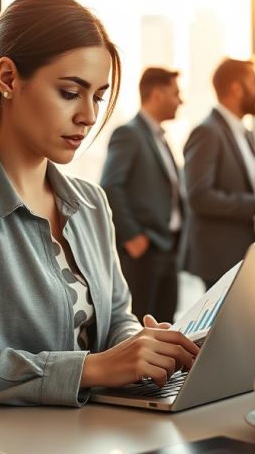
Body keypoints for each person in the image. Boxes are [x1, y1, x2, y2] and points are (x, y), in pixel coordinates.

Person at [0, 0, 199, 406]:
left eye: (97, 96)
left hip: (94, 434)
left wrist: (141, 350)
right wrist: (93, 368)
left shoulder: (93, 204)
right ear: (7, 79)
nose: (89, 116)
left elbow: (116, 325)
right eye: (70, 92)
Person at [182, 58, 255, 289]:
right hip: (223, 258)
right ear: (236, 88)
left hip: (251, 252)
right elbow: (199, 197)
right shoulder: (207, 132)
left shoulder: (243, 133)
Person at [100, 67, 187, 324]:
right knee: (140, 328)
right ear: (157, 95)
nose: (181, 101)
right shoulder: (129, 134)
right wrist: (132, 237)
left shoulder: (160, 137)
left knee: (166, 325)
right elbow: (110, 186)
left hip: (168, 248)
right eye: (176, 93)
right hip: (144, 252)